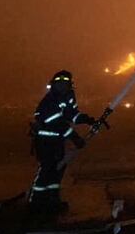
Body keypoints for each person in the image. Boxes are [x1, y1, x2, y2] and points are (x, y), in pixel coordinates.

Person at [28, 70, 105, 215]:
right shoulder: (50, 101)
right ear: (54, 85)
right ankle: (35, 204)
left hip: (57, 140)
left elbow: (72, 114)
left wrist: (87, 120)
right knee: (46, 171)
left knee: (57, 171)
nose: (62, 87)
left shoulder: (68, 96)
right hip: (46, 140)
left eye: (65, 84)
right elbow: (58, 123)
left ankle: (52, 201)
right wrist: (75, 138)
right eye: (60, 84)